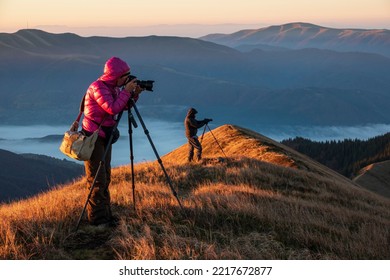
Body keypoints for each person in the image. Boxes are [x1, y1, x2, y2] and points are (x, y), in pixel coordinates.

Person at [81, 57, 142, 227]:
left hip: (104, 135)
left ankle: (105, 216)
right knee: (97, 179)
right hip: (93, 138)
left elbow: (122, 106)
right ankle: (97, 221)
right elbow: (112, 108)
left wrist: (133, 95)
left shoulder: (112, 87)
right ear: (116, 76)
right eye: (125, 76)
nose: (127, 79)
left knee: (105, 176)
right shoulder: (98, 88)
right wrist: (126, 91)